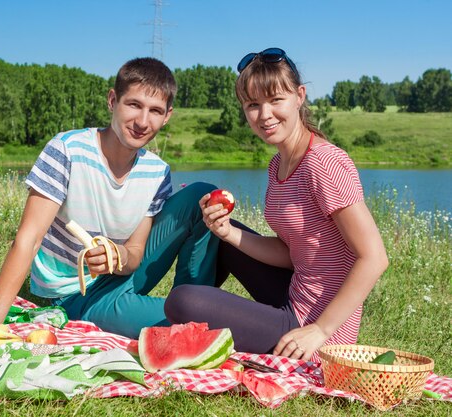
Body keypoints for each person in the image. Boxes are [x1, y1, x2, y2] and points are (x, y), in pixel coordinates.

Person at [164, 48, 389, 361]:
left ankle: (185, 323)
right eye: (253, 105)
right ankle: (188, 331)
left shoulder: (323, 163)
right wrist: (227, 233)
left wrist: (321, 330)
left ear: (299, 96)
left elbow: (374, 258)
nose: (264, 115)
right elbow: (291, 254)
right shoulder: (278, 164)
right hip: (293, 291)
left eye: (275, 100)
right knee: (220, 237)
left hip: (317, 325)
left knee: (182, 301)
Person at [0, 57, 219, 339]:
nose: (143, 122)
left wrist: (118, 256)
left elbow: (135, 253)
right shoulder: (67, 150)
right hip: (72, 295)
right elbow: (28, 239)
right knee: (194, 327)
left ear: (167, 116)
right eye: (134, 105)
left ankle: (198, 300)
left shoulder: (157, 172)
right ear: (112, 100)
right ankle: (198, 323)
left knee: (202, 196)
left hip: (121, 275)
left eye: (155, 111)